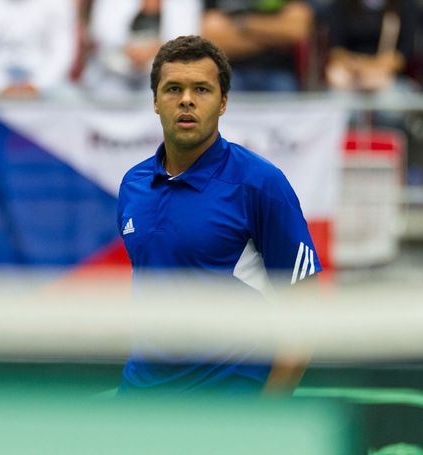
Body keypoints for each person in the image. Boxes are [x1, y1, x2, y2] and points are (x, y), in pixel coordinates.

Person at [117, 35, 320, 395]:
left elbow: (305, 311)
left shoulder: (259, 183)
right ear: (155, 101)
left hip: (226, 407)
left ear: (223, 101)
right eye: (173, 88)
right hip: (140, 399)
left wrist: (264, 415)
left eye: (202, 89)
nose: (186, 100)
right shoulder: (133, 184)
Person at [0, 0, 78, 101]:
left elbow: (61, 54)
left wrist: (37, 85)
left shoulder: (58, 3)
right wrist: (0, 85)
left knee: (74, 105)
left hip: (45, 80)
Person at [81, 0, 201, 98]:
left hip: (166, 84)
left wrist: (157, 50)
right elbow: (101, 33)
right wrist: (128, 50)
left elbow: (188, 37)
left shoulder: (185, 4)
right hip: (112, 82)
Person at [201, 0, 314, 92]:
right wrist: (276, 37)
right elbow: (212, 37)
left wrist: (241, 23)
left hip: (279, 73)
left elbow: (296, 31)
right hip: (231, 73)